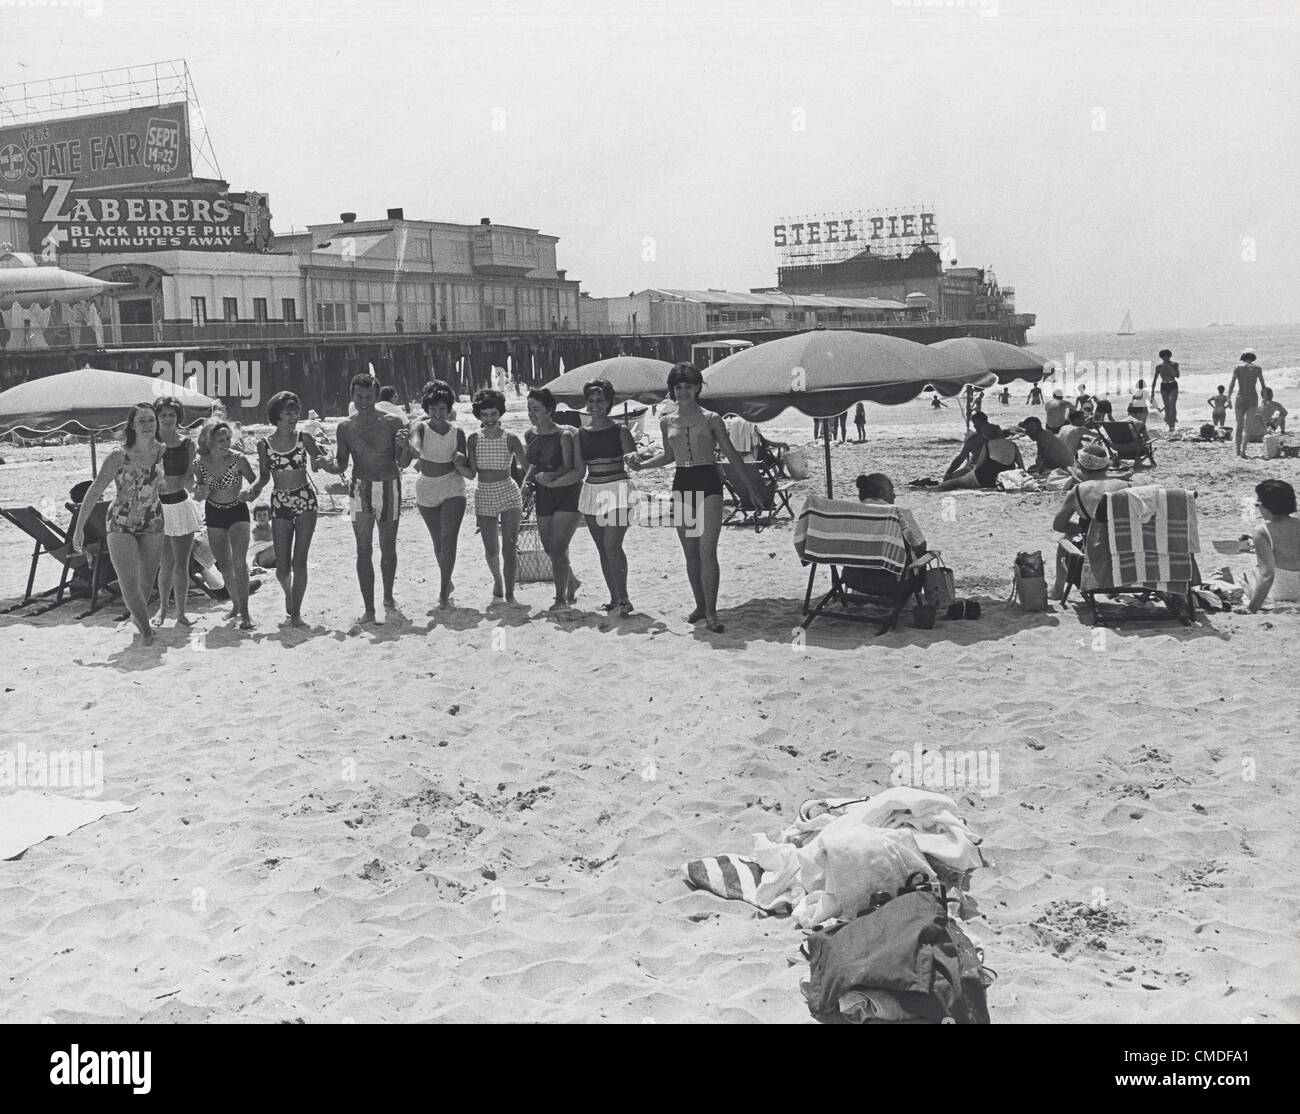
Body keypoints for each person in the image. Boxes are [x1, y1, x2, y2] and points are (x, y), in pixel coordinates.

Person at [625, 363, 762, 633]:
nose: (683, 391)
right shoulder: (666, 421)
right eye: (679, 387)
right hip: (682, 483)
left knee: (706, 550)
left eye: (688, 386)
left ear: (697, 387)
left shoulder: (711, 419)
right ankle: (700, 606)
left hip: (708, 481)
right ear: (673, 390)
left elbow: (732, 455)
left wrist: (750, 488)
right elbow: (668, 456)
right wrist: (643, 465)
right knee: (690, 553)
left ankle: (712, 612)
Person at [70, 403, 165, 645]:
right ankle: (145, 630)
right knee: (129, 581)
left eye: (151, 420)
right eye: (141, 421)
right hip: (120, 523)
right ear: (132, 425)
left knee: (147, 582)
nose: (147, 425)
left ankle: (137, 616)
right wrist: (79, 527)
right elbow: (94, 491)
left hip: (153, 519)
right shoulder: (118, 456)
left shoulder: (163, 451)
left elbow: (172, 483)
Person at [327, 373, 408, 624]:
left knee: (388, 547)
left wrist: (405, 446)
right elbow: (341, 464)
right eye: (359, 396)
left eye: (368, 396)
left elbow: (403, 461)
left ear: (376, 396)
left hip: (389, 485)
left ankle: (388, 596)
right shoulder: (345, 427)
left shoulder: (393, 422)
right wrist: (324, 464)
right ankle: (369, 608)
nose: (363, 401)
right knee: (363, 549)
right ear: (352, 396)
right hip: (360, 488)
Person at [248, 390, 326, 626]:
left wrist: (324, 462)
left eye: (295, 412)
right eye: (288, 413)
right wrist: (252, 490)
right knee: (283, 567)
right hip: (280, 501)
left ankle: (296, 613)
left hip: (305, 500)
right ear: (277, 416)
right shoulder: (264, 444)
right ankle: (290, 596)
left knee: (300, 561)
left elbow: (320, 464)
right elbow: (262, 478)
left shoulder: (305, 438)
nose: (293, 417)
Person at [405, 379, 471, 609]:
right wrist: (411, 443)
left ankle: (443, 592)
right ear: (427, 409)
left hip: (453, 486)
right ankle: (447, 580)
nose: (438, 413)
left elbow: (464, 462)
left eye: (442, 408)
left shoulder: (458, 432)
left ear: (449, 408)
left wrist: (461, 460)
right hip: (426, 488)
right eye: (433, 409)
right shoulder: (419, 427)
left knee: (448, 538)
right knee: (437, 542)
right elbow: (414, 447)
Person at [576, 378, 638, 616]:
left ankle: (624, 598)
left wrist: (634, 457)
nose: (594, 405)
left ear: (609, 402)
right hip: (592, 490)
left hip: (618, 490)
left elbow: (632, 456)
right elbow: (580, 470)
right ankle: (614, 598)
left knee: (613, 545)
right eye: (590, 401)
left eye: (599, 400)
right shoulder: (581, 433)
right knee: (603, 548)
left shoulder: (620, 429)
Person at [522, 387, 583, 611]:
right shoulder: (530, 435)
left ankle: (560, 599)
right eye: (529, 409)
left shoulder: (566, 435)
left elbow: (572, 468)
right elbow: (533, 464)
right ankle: (572, 581)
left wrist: (553, 477)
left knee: (558, 548)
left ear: (550, 410)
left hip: (567, 494)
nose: (532, 414)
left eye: (536, 409)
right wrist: (526, 483)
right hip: (543, 494)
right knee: (550, 548)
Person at [194, 418, 257, 629]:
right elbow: (199, 492)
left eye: (228, 439)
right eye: (220, 440)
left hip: (238, 511)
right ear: (208, 441)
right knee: (225, 565)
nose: (225, 443)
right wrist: (199, 492)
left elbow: (255, 481)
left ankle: (246, 613)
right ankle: (236, 605)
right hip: (214, 513)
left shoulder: (239, 459)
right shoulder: (199, 464)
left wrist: (250, 492)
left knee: (239, 563)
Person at [465, 387, 527, 604]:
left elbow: (527, 467)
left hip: (509, 492)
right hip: (484, 493)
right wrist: (455, 461)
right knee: (491, 548)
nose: (489, 419)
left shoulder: (511, 438)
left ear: (500, 413)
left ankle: (510, 595)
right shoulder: (473, 439)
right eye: (484, 415)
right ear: (478, 415)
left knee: (509, 547)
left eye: (493, 414)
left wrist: (528, 486)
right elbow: (472, 473)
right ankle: (497, 582)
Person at [1048, 442, 1131, 600]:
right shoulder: (1126, 485)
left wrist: (1086, 527)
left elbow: (1058, 525)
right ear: (1107, 465)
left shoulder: (1079, 491)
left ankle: (1058, 590)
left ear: (1081, 467)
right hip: (1126, 549)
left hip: (1096, 552)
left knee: (1064, 541)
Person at [152, 397, 202, 627]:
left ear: (178, 417)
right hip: (158, 506)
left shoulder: (188, 444)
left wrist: (200, 485)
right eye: (163, 415)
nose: (167, 419)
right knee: (165, 563)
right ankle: (163, 610)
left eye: (172, 415)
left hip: (181, 505)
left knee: (182, 563)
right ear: (157, 417)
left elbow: (190, 478)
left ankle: (181, 613)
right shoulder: (151, 443)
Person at [1243, 480, 1300, 610]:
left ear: (1267, 505)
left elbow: (1267, 575)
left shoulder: (1262, 531)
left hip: (1281, 592)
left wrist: (1251, 609)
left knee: (1248, 574)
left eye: (1258, 504)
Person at [934, 413, 1024, 491]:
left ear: (986, 423)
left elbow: (979, 466)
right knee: (950, 479)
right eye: (976, 426)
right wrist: (949, 472)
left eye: (980, 425)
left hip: (982, 473)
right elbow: (961, 458)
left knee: (953, 482)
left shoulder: (995, 438)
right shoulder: (974, 440)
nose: (978, 429)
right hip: (977, 468)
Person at [855, 473, 926, 550]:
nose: (894, 496)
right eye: (891, 490)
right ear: (882, 492)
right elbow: (920, 546)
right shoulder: (899, 513)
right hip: (892, 561)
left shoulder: (852, 514)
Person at [1228, 351, 1267, 459]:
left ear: (1243, 358)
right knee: (1247, 428)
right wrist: (1265, 398)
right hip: (1252, 398)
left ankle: (1237, 451)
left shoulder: (1238, 368)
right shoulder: (1257, 368)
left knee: (1239, 425)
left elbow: (1232, 384)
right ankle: (1243, 451)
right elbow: (1263, 386)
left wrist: (1228, 399)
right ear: (1253, 358)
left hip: (1240, 398)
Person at [1151, 349, 1180, 431]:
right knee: (1167, 406)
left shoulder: (1174, 364)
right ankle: (1170, 424)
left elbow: (1177, 376)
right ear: (1161, 357)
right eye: (1163, 357)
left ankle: (1173, 424)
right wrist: (1152, 392)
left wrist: (1168, 366)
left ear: (1169, 356)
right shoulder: (1159, 367)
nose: (1165, 358)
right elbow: (1155, 379)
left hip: (1173, 384)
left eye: (1167, 357)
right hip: (1164, 385)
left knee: (1172, 405)